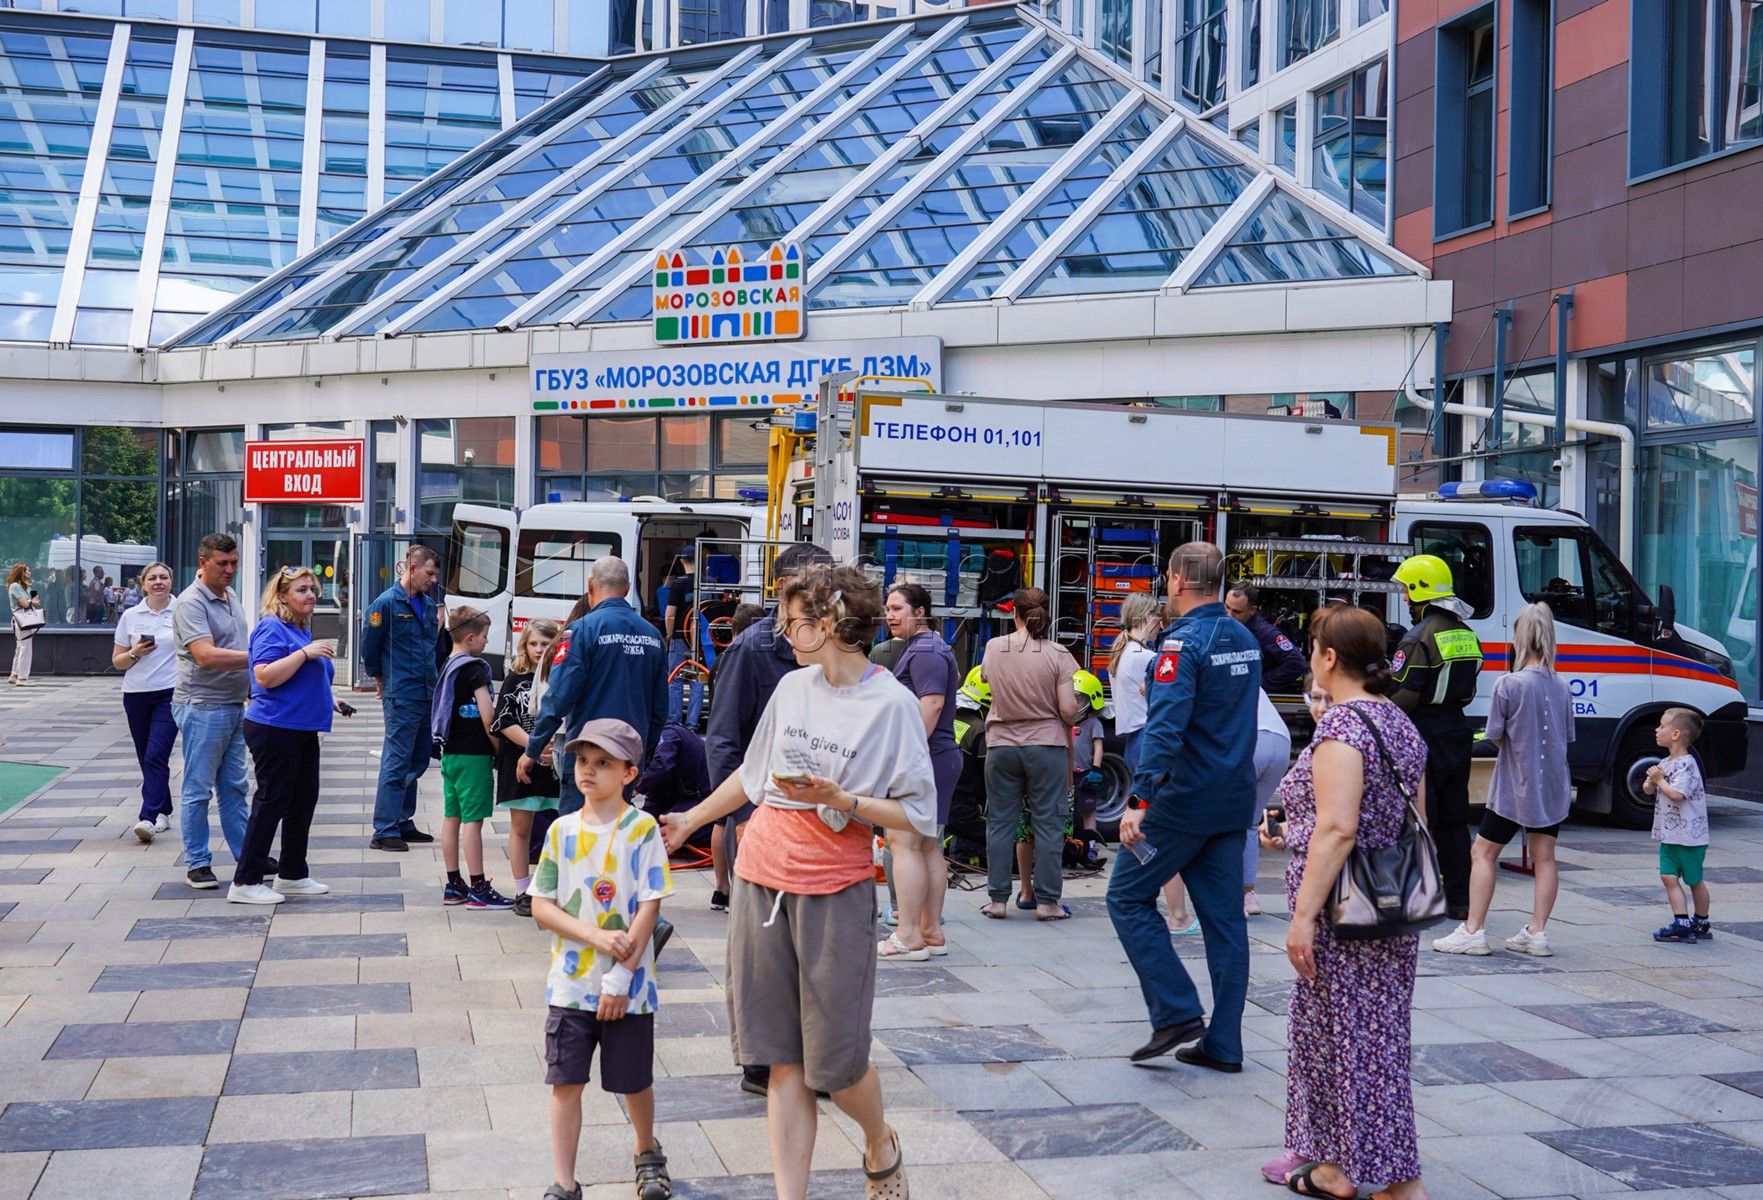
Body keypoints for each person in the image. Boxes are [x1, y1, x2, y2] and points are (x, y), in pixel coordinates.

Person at [657, 564, 937, 1200]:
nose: (785, 629)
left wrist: (845, 798)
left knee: (836, 1068)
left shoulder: (890, 703)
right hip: (761, 880)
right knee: (780, 1059)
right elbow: (754, 776)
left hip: (835, 891)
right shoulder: (793, 689)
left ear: (833, 624)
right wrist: (690, 821)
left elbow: (918, 815)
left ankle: (878, 1140)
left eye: (796, 620)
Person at [1270, 603, 1427, 1200]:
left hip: (1343, 909)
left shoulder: (1343, 728)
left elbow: (1339, 829)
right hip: (1391, 902)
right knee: (1365, 1038)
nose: (1310, 658)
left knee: (1347, 1043)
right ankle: (1337, 1168)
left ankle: (1399, 1182)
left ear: (1330, 657)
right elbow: (1415, 818)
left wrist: (1303, 917)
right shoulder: (1397, 722)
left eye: (1313, 648)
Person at [1107, 542, 1258, 1069]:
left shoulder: (1180, 646)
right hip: (1231, 800)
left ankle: (1175, 1011)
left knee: (1126, 896)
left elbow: (1165, 730)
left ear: (1175, 581)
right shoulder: (1243, 636)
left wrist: (1138, 800)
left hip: (1181, 803)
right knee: (1225, 925)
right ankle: (1225, 1044)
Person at [531, 719, 675, 1200]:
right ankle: (565, 1182)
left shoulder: (642, 829)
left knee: (632, 1081)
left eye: (603, 763)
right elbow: (541, 905)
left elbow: (650, 904)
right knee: (565, 1082)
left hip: (628, 987)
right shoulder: (560, 829)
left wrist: (621, 976)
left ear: (630, 774)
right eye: (582, 760)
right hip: (570, 984)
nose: (588, 771)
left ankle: (646, 1150)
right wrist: (593, 935)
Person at [1433, 603, 1574, 956]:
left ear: (1519, 638)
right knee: (1545, 858)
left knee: (1483, 853)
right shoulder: (1562, 686)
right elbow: (1567, 735)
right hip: (1553, 784)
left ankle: (1473, 930)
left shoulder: (1508, 684)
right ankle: (1537, 931)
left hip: (1515, 783)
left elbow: (1495, 735)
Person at [704, 542, 834, 903]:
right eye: (816, 582)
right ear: (783, 587)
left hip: (818, 817)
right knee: (761, 924)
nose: (827, 593)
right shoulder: (751, 649)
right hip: (762, 812)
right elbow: (722, 740)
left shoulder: (833, 644)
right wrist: (742, 816)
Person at [231, 567, 349, 905]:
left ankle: (292, 873)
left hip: (300, 727)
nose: (310, 595)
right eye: (302, 590)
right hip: (274, 727)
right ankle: (245, 880)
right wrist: (304, 654)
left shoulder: (299, 628)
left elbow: (301, 680)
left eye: (312, 589)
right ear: (283, 596)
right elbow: (265, 677)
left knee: (302, 802)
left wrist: (331, 699)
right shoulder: (272, 627)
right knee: (271, 802)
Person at [521, 556, 668, 817]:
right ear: (627, 588)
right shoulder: (653, 635)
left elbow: (558, 698)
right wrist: (643, 759)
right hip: (627, 754)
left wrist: (532, 749)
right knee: (613, 835)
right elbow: (659, 709)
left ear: (590, 586)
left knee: (579, 837)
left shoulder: (581, 631)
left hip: (588, 754)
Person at [978, 587, 1082, 922]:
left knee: (1000, 823)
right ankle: (1047, 902)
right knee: (1049, 824)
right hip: (1046, 747)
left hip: (1001, 746)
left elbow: (984, 678)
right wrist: (1071, 714)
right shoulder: (1058, 653)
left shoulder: (995, 647)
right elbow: (1067, 709)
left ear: (1015, 614)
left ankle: (997, 900)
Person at [1389, 553, 1484, 920]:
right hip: (1457, 733)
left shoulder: (1417, 637)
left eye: (1406, 591)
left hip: (1422, 735)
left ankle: (1419, 898)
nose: (1404, 599)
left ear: (1418, 591)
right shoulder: (1465, 632)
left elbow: (1403, 696)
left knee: (1417, 817)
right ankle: (1460, 900)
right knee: (1454, 819)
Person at [876, 582, 959, 961]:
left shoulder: (925, 650)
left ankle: (908, 935)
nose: (890, 615)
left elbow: (933, 704)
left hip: (924, 758)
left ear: (920, 612)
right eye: (888, 609)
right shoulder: (927, 647)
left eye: (897, 608)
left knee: (904, 843)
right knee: (926, 845)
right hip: (935, 758)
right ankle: (930, 931)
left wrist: (905, 756)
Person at [172, 533, 255, 890]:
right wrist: (262, 659)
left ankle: (246, 856)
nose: (230, 569)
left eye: (234, 562)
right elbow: (206, 655)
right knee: (198, 788)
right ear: (202, 562)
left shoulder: (230, 595)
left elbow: (237, 644)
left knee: (235, 788)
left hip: (234, 704)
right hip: (203, 705)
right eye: (222, 563)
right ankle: (197, 862)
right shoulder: (191, 603)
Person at [362, 544, 443, 852]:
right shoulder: (386, 603)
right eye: (430, 573)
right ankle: (384, 829)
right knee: (397, 761)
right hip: (402, 693)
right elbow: (370, 645)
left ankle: (403, 821)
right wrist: (379, 677)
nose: (433, 580)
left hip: (425, 692)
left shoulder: (425, 602)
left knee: (418, 759)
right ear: (411, 568)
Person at [434, 606, 515, 910]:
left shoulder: (448, 664)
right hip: (473, 755)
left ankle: (454, 884)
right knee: (473, 822)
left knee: (451, 818)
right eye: (483, 637)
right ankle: (479, 887)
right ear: (470, 637)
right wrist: (499, 749)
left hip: (451, 754)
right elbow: (488, 715)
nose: (485, 642)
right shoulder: (475, 668)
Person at [494, 619, 562, 918]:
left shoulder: (560, 677)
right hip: (521, 762)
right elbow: (503, 721)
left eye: (545, 644)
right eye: (533, 643)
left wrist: (549, 748)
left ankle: (556, 888)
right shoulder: (515, 678)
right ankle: (523, 891)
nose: (538, 649)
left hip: (555, 764)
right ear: (524, 645)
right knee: (521, 829)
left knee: (562, 829)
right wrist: (533, 746)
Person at [115, 562, 178, 843]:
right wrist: (136, 652)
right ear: (143, 584)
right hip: (136, 693)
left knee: (156, 755)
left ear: (171, 582)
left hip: (171, 693)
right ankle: (164, 809)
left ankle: (148, 817)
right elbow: (117, 661)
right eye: (152, 578)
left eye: (164, 577)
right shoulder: (130, 615)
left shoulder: (182, 611)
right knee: (146, 756)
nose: (158, 582)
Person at [1647, 707, 1711, 943]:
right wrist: (1652, 782)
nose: (1657, 729)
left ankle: (1701, 921)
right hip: (1669, 834)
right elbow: (1648, 788)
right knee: (1668, 877)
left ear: (1675, 734)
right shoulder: (1665, 762)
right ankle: (1682, 921)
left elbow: (1676, 795)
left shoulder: (1687, 764)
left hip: (1689, 837)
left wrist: (1660, 781)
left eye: (1662, 725)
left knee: (1694, 880)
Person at [1242, 688, 1293, 917]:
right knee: (1250, 823)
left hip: (1251, 740)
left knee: (1228, 822)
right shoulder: (1246, 672)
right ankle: (1249, 894)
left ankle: (1227, 893)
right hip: (1281, 741)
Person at [1225, 582, 1307, 694]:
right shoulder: (1221, 625)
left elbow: (1296, 663)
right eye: (1227, 607)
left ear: (1252, 610)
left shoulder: (1266, 634)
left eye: (1237, 612)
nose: (1229, 615)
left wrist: (1258, 684)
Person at [663, 553, 705, 728]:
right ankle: (692, 724)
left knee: (676, 680)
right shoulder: (708, 581)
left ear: (681, 561)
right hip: (703, 640)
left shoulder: (678, 584)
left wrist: (670, 635)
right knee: (698, 680)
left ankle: (674, 721)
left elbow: (670, 615)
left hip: (681, 636)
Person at [8, 562, 40, 686]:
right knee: (25, 647)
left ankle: (14, 674)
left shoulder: (27, 587)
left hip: (26, 617)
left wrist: (30, 601)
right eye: (27, 570)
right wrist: (30, 601)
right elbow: (26, 604)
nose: (30, 572)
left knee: (20, 647)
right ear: (21, 572)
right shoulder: (15, 586)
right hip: (21, 618)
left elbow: (37, 602)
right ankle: (22, 678)